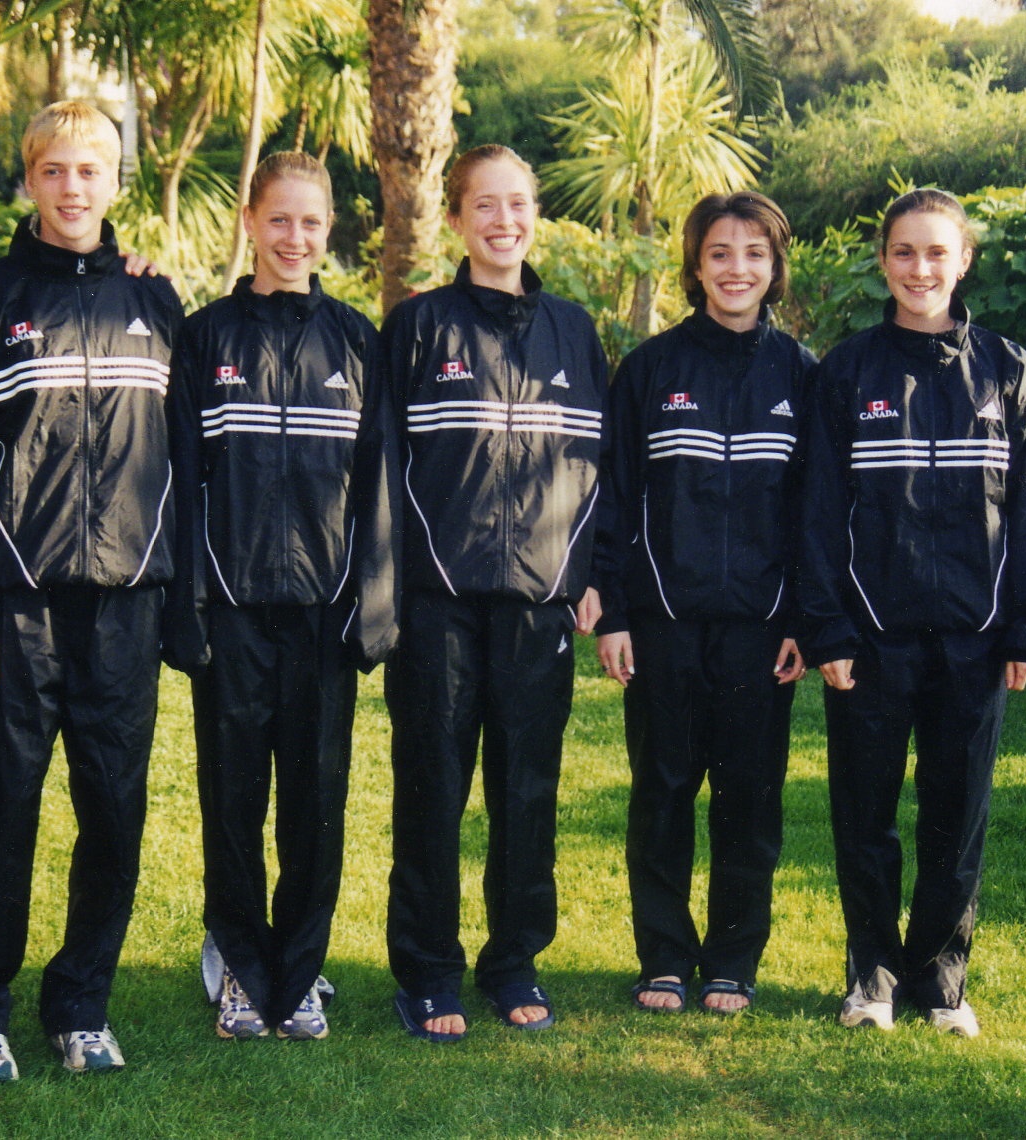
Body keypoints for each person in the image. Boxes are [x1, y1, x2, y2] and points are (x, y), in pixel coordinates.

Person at [0, 100, 186, 1082]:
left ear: (116, 182)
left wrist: (177, 597)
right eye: (54, 171)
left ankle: (81, 1003)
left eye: (90, 170)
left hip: (125, 598)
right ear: (29, 180)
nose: (72, 188)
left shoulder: (157, 302)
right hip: (16, 604)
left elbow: (186, 459)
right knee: (3, 809)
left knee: (113, 811)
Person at [796, 188, 1026, 1038]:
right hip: (870, 642)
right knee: (865, 819)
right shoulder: (847, 372)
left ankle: (942, 983)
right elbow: (816, 512)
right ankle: (871, 980)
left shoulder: (1008, 370)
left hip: (975, 642)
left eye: (937, 252)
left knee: (957, 819)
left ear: (964, 261)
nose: (920, 269)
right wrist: (829, 628)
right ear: (884, 261)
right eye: (904, 252)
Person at [382, 144, 607, 1042]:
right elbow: (385, 468)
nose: (502, 221)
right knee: (431, 789)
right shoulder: (418, 326)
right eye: (484, 204)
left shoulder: (573, 331)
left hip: (537, 606)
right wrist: (395, 587)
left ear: (534, 215)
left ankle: (513, 961)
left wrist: (583, 577)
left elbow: (598, 468)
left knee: (526, 792)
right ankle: (428, 971)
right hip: (436, 604)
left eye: (517, 204)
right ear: (455, 218)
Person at [171, 152, 397, 1042]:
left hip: (322, 617)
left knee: (314, 804)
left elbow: (378, 486)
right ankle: (238, 964)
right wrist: (191, 604)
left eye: (310, 222)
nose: (294, 238)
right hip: (230, 611)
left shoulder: (356, 340)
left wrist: (368, 605)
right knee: (232, 804)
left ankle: (298, 973)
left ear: (327, 228)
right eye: (278, 220)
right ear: (250, 222)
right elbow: (182, 481)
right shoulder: (206, 337)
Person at [591, 191, 811, 1016]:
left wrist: (804, 621)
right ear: (695, 265)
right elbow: (614, 499)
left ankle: (732, 962)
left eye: (754, 253)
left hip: (763, 631)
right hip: (664, 626)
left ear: (775, 267)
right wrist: (616, 613)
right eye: (720, 253)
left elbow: (817, 514)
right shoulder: (650, 370)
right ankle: (663, 958)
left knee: (748, 801)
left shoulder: (803, 376)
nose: (736, 269)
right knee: (663, 793)